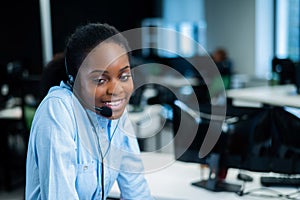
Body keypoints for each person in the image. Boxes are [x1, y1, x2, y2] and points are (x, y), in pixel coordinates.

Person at [25, 23, 153, 199]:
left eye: (124, 76)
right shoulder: (58, 110)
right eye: (100, 80)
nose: (116, 90)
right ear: (74, 80)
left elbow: (137, 191)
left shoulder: (116, 114)